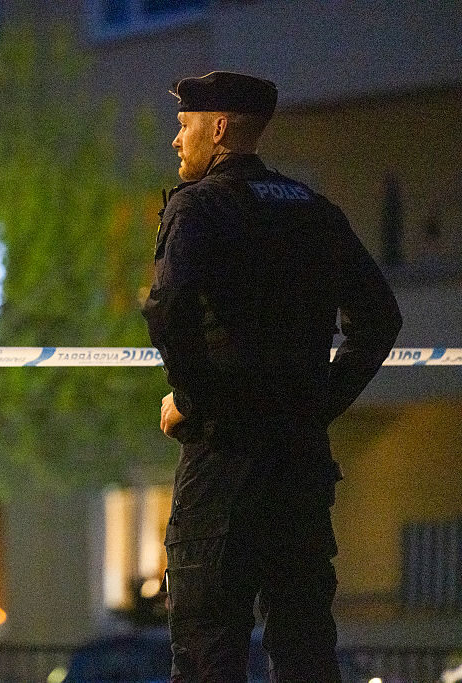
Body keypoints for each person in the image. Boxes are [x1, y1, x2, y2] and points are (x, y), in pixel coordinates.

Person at [141, 71, 403, 682]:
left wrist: (190, 400)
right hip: (299, 470)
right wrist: (318, 405)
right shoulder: (313, 211)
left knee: (209, 654)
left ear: (220, 128)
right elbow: (380, 318)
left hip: (224, 467)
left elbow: (168, 311)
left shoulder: (197, 208)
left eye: (184, 126)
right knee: (306, 651)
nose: (177, 141)